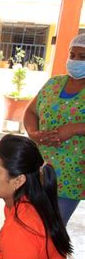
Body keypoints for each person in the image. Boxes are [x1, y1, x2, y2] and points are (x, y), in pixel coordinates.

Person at [24, 33, 85, 225]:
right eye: (72, 54)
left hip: (70, 176)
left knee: (50, 230)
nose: (74, 60)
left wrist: (75, 128)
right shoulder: (54, 83)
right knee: (26, 224)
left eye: (82, 57)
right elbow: (31, 112)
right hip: (37, 167)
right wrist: (34, 134)